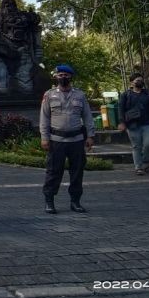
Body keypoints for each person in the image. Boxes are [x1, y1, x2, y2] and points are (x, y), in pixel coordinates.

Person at [39, 64, 94, 215]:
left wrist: (90, 136)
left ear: (71, 77)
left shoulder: (80, 95)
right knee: (53, 172)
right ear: (56, 77)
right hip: (56, 140)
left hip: (76, 140)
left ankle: (75, 202)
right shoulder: (49, 95)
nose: (63, 77)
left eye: (66, 75)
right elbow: (44, 118)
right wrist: (44, 138)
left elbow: (88, 116)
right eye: (60, 74)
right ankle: (49, 201)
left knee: (77, 172)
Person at [117, 72, 149, 175]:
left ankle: (146, 161)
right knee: (136, 146)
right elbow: (121, 109)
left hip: (148, 123)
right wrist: (122, 122)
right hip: (132, 125)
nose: (140, 82)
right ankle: (138, 167)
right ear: (132, 83)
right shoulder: (126, 95)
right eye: (137, 80)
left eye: (141, 80)